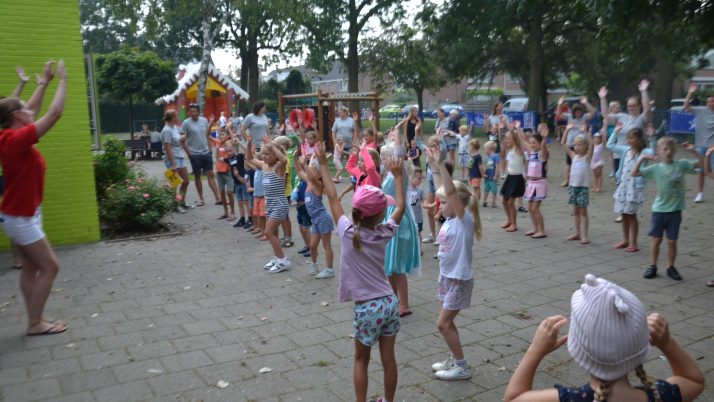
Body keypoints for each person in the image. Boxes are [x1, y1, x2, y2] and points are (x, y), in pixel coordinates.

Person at [504, 273, 705, 402]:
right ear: (644, 342)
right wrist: (667, 343)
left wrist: (535, 351)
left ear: (575, 347)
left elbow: (513, 398)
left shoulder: (570, 400)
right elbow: (693, 380)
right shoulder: (661, 396)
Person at [317, 142, 406, 402]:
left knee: (360, 360)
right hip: (390, 302)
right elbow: (399, 206)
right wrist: (398, 177)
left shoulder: (346, 231)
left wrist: (323, 163)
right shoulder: (384, 232)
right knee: (389, 360)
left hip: (367, 308)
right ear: (380, 215)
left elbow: (332, 197)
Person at [0, 59, 68, 335]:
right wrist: (63, 80)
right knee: (51, 267)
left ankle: (35, 318)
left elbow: (35, 109)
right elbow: (53, 114)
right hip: (21, 217)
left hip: (20, 214)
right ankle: (34, 323)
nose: (31, 111)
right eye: (25, 110)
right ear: (17, 117)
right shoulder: (13, 142)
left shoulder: (10, 136)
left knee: (30, 269)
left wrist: (43, 83)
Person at [426, 139, 482, 381]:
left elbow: (449, 191)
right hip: (446, 276)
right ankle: (454, 358)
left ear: (457, 203)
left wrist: (442, 164)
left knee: (442, 324)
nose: (441, 204)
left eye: (445, 202)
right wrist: (435, 167)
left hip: (459, 279)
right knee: (447, 324)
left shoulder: (463, 219)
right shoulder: (449, 219)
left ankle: (462, 367)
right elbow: (443, 190)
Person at [631, 138, 703, 280]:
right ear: (659, 152)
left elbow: (701, 164)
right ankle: (652, 266)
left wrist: (693, 151)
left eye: (671, 149)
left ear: (675, 151)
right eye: (665, 149)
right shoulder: (655, 168)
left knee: (672, 241)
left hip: (675, 211)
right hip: (659, 210)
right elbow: (634, 173)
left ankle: (671, 267)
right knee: (656, 239)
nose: (668, 151)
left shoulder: (681, 165)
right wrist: (642, 158)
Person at [382, 130, 421, 318]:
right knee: (389, 266)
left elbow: (399, 152)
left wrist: (398, 133)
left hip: (399, 221)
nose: (383, 162)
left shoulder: (400, 174)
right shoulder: (389, 176)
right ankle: (393, 300)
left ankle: (404, 304)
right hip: (388, 220)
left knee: (396, 268)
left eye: (385, 158)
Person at [607, 125, 656, 253]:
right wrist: (615, 133)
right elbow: (610, 146)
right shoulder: (625, 150)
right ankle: (625, 240)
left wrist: (652, 138)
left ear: (639, 139)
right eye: (628, 138)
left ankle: (633, 243)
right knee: (624, 214)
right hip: (623, 187)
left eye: (632, 138)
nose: (629, 140)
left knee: (631, 216)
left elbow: (654, 153)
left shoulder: (644, 152)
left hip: (634, 189)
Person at [245, 137, 291, 273]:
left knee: (268, 232)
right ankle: (277, 257)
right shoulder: (264, 166)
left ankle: (283, 260)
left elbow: (284, 160)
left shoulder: (278, 167)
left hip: (279, 204)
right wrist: (248, 145)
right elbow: (250, 159)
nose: (264, 157)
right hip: (269, 204)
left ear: (274, 154)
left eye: (267, 154)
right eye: (263, 153)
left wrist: (272, 146)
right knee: (274, 233)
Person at [295, 151, 335, 279]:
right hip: (315, 220)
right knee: (312, 246)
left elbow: (311, 176)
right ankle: (314, 264)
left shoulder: (318, 185)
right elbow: (299, 172)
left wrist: (305, 164)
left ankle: (329, 270)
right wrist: (295, 158)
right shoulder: (308, 183)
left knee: (326, 245)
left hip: (323, 218)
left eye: (311, 171)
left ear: (318, 174)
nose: (308, 173)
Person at [181, 104, 221, 206]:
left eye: (195, 111)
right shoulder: (186, 123)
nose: (193, 113)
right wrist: (189, 153)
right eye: (191, 112)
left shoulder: (204, 121)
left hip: (206, 153)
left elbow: (208, 136)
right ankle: (201, 198)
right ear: (189, 112)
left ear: (198, 112)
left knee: (211, 174)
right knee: (197, 176)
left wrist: (210, 150)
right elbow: (182, 140)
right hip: (194, 154)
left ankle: (218, 197)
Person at [561, 123, 594, 244]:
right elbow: (563, 143)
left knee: (583, 212)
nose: (577, 147)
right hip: (573, 187)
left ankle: (585, 235)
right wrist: (567, 130)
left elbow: (592, 144)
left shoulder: (587, 157)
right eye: (575, 145)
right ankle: (577, 233)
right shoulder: (573, 156)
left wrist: (585, 132)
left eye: (580, 145)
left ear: (585, 146)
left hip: (583, 188)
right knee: (575, 211)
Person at [555, 96, 596, 187]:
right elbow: (559, 114)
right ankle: (567, 180)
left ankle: (582, 179)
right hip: (570, 143)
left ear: (582, 112)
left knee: (584, 161)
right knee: (569, 163)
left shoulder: (584, 117)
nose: (578, 114)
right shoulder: (570, 117)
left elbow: (593, 112)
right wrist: (560, 104)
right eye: (576, 112)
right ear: (573, 112)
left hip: (583, 144)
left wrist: (585, 102)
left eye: (579, 112)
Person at [683, 83, 714, 203]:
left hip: (713, 147)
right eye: (708, 101)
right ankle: (700, 193)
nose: (710, 103)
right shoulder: (701, 111)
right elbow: (686, 106)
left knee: (712, 172)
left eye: (712, 101)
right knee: (700, 171)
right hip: (701, 145)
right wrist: (690, 93)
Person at [161, 109, 191, 212]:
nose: (178, 118)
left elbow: (181, 141)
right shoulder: (166, 131)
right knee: (174, 183)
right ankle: (174, 206)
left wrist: (189, 154)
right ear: (172, 118)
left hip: (180, 157)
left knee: (186, 181)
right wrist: (173, 164)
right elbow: (168, 148)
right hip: (171, 159)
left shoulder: (175, 128)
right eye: (176, 116)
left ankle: (181, 202)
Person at [523, 127, 549, 239]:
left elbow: (543, 147)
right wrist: (517, 130)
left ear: (539, 143)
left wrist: (544, 137)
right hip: (531, 183)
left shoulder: (541, 155)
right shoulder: (531, 153)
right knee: (530, 208)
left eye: (534, 143)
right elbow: (523, 142)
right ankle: (535, 228)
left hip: (539, 183)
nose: (532, 145)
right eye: (531, 143)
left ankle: (542, 230)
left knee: (535, 208)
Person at [500, 127, 526, 232]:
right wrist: (502, 129)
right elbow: (504, 159)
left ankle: (514, 224)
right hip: (510, 177)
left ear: (515, 139)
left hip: (517, 178)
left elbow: (521, 141)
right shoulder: (509, 149)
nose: (506, 141)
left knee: (511, 202)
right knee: (504, 201)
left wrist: (518, 130)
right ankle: (509, 220)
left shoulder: (518, 149)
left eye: (509, 139)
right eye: (506, 139)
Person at [209, 129, 236, 220]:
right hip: (219, 171)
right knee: (221, 192)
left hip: (228, 171)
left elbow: (233, 144)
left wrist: (228, 128)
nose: (221, 136)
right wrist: (210, 124)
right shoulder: (218, 143)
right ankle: (225, 212)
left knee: (229, 192)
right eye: (220, 135)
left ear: (228, 136)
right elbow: (208, 136)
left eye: (223, 134)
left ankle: (232, 212)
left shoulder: (229, 143)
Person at [408, 168, 425, 248]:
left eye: (421, 178)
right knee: (409, 234)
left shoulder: (420, 190)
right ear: (410, 177)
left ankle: (419, 249)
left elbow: (425, 202)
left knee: (418, 234)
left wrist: (432, 204)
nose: (420, 180)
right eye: (418, 178)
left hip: (418, 218)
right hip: (409, 217)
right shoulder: (405, 189)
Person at [481, 141, 500, 208]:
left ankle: (493, 202)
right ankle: (484, 201)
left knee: (494, 190)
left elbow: (497, 167)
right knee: (486, 189)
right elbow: (485, 167)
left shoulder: (495, 156)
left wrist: (495, 175)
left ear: (489, 149)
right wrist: (484, 174)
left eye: (485, 149)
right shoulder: (487, 157)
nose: (484, 151)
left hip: (492, 177)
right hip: (487, 177)